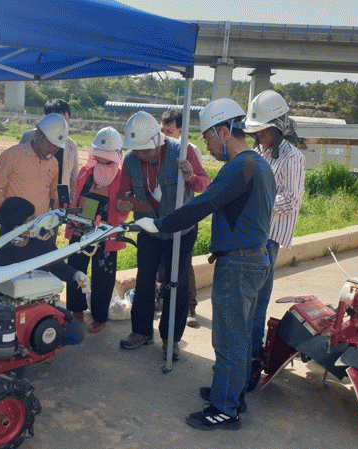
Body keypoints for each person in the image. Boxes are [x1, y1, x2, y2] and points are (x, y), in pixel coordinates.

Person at [135, 98, 276, 430]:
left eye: (209, 138)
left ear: (224, 132)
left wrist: (160, 224)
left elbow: (204, 203)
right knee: (240, 336)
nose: (208, 146)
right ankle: (232, 393)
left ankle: (225, 408)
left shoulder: (239, 166)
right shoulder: (260, 165)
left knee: (229, 339)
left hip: (239, 264)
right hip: (255, 258)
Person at [116, 111, 210, 360]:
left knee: (176, 283)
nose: (140, 154)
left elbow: (204, 184)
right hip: (149, 229)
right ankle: (142, 331)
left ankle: (171, 338)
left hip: (181, 229)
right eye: (136, 150)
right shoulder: (130, 160)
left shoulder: (182, 151)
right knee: (145, 279)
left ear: (156, 141)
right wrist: (122, 203)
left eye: (144, 150)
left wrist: (189, 176)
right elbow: (122, 195)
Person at [244, 90, 306, 391]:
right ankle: (242, 356)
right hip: (253, 233)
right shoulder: (262, 152)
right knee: (247, 299)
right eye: (257, 131)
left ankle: (251, 362)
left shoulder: (293, 158)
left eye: (265, 131)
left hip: (269, 239)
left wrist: (257, 202)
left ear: (279, 128)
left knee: (257, 301)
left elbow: (291, 199)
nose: (260, 136)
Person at [64, 127, 128, 334]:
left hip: (107, 232)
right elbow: (77, 198)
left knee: (103, 275)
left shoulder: (122, 177)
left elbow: (124, 210)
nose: (101, 163)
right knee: (76, 268)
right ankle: (76, 309)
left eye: (106, 160)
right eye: (98, 158)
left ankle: (100, 317)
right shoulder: (86, 171)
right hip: (81, 226)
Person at [0, 196, 90, 293]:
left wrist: (75, 275)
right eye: (31, 220)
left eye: (35, 218)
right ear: (17, 228)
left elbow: (57, 265)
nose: (37, 223)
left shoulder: (41, 241)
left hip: (39, 297)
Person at [158, 108, 203, 327]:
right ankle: (163, 300)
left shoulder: (189, 150)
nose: (165, 135)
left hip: (184, 217)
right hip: (162, 218)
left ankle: (190, 307)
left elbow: (200, 183)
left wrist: (188, 174)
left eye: (169, 131)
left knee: (184, 267)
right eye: (162, 130)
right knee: (163, 264)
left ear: (180, 131)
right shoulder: (158, 149)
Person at [0, 113, 67, 219]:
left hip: (41, 224)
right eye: (49, 143)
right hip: (15, 225)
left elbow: (53, 192)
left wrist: (57, 215)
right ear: (38, 134)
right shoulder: (12, 155)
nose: (51, 149)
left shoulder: (54, 163)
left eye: (56, 146)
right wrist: (6, 218)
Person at [19, 99, 79, 203]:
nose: (61, 123)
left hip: (59, 198)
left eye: (64, 118)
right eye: (56, 118)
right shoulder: (29, 136)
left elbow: (74, 179)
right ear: (45, 118)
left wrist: (72, 203)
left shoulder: (71, 146)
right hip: (32, 195)